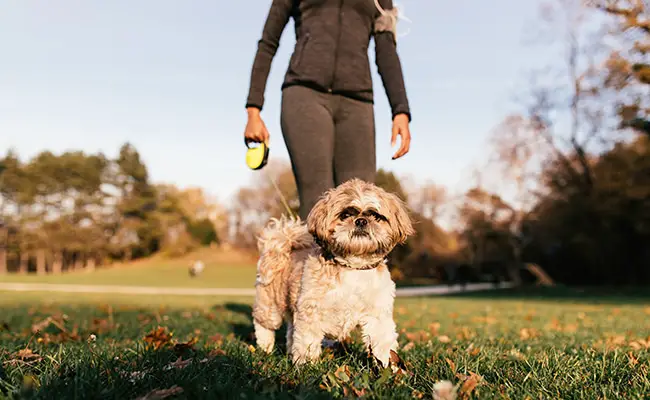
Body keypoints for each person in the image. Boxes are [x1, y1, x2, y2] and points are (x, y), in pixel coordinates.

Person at [244, 0, 412, 220]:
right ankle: (312, 255)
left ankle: (355, 256)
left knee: (359, 201)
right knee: (318, 199)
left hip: (358, 102)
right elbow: (268, 42)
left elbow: (387, 51)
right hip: (305, 94)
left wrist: (400, 110)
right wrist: (253, 109)